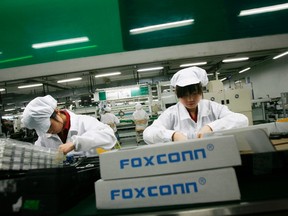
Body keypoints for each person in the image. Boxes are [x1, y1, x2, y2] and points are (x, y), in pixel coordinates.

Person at [143, 66, 249, 144]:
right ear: (177, 95)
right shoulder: (172, 113)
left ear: (201, 91)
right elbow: (148, 134)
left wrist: (211, 127)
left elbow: (242, 120)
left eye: (194, 94)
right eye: (184, 95)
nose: (190, 99)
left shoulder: (212, 107)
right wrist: (173, 135)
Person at [21, 95, 117, 155]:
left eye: (49, 126)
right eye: (42, 129)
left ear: (56, 111)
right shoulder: (44, 137)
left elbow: (109, 136)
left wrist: (75, 143)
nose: (48, 131)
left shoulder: (84, 122)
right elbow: (37, 154)